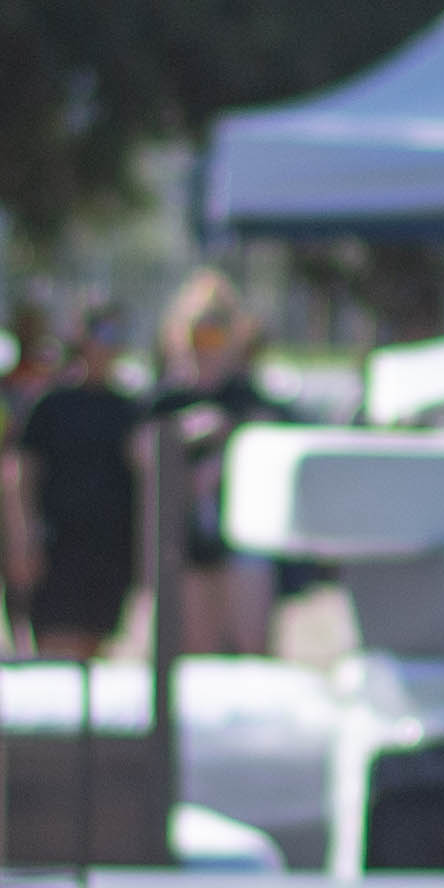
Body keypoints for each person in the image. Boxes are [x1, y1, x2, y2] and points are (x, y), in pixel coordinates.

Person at [0, 299, 146, 658]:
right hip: (57, 545)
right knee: (54, 650)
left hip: (108, 549)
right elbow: (19, 471)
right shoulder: (51, 403)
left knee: (93, 650)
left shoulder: (129, 408)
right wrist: (22, 538)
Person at [151, 268, 278, 657]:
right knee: (192, 647)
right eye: (197, 334)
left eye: (216, 334)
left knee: (249, 643)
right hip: (183, 540)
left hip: (240, 542)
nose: (205, 346)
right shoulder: (166, 401)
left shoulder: (247, 399)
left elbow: (271, 437)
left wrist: (229, 437)